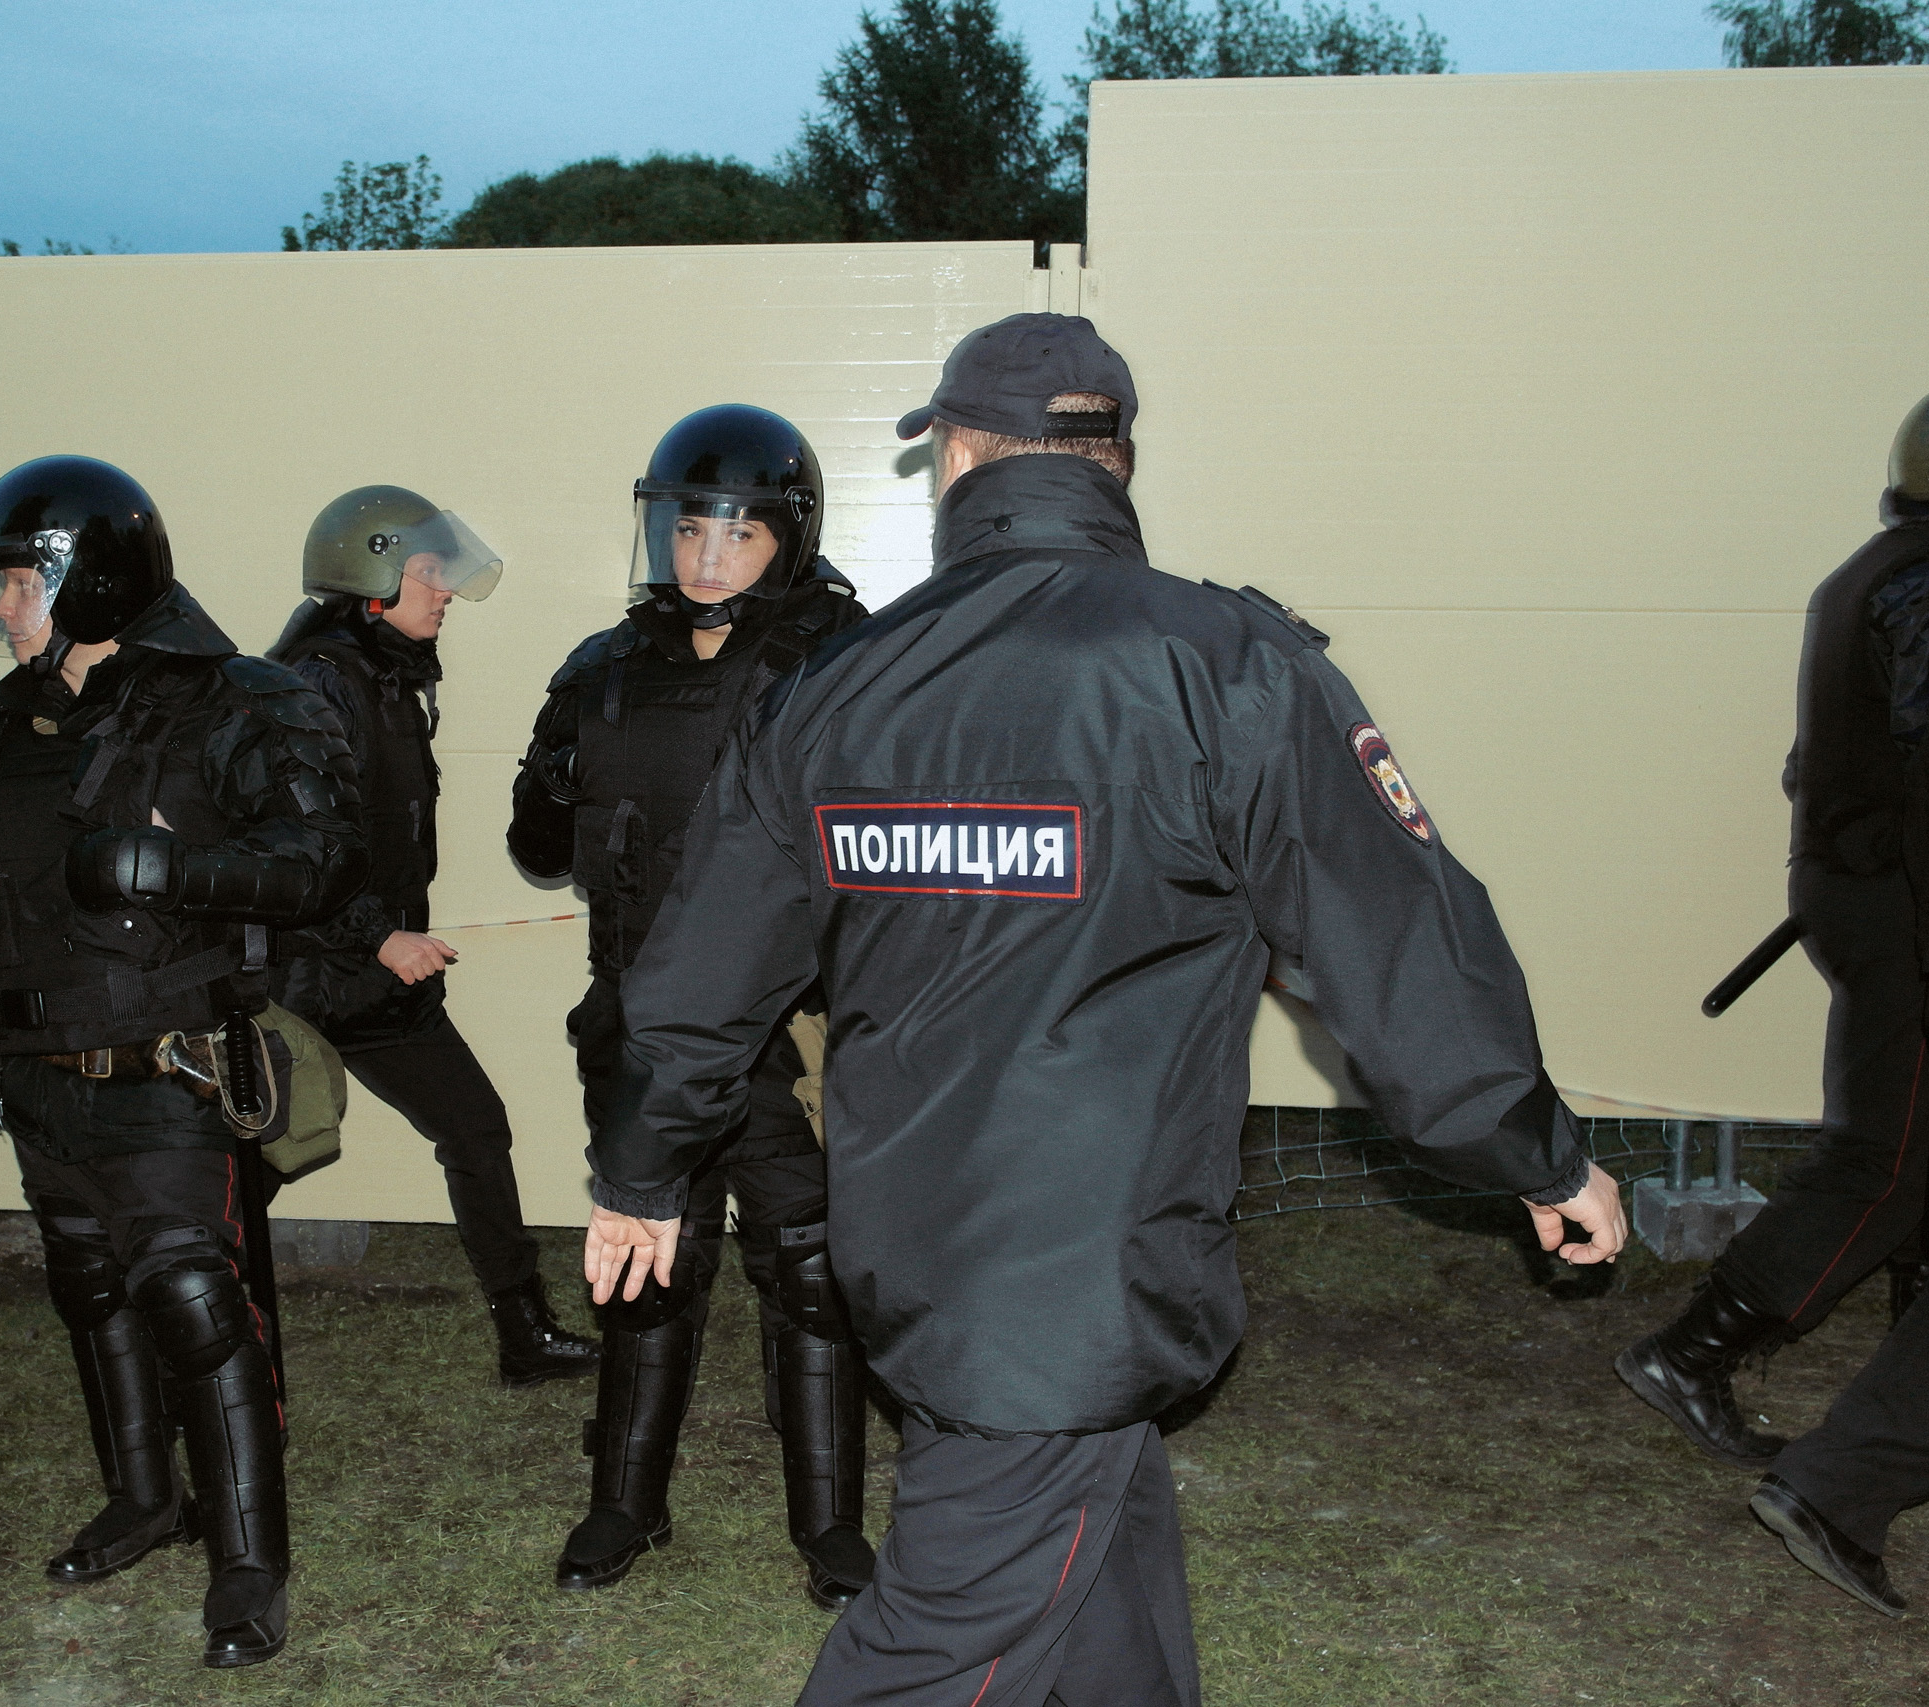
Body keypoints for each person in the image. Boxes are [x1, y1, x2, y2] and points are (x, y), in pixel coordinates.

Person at [581, 316, 1629, 1706]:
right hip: (1081, 1278)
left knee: (1105, 1584)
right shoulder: (1229, 662)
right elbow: (1396, 939)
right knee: (940, 1645)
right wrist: (1537, 1146)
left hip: (925, 1251)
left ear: (953, 454)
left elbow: (699, 968)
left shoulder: (836, 687)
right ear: (1115, 460)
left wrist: (644, 1166)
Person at [0, 454, 366, 1668]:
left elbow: (320, 863)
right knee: (90, 1287)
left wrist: (172, 870)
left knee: (194, 1299)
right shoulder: (4, 717)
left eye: (16, 582)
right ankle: (144, 1497)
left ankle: (250, 1565)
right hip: (32, 1068)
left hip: (167, 1066)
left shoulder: (239, 698)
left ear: (89, 578)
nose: (0, 609)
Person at [1624, 370, 1929, 1617]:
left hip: (1870, 890)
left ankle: (1745, 1356)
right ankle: (1692, 1354)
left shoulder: (1884, 565)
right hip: (1910, 905)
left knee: (1914, 1156)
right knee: (1886, 1164)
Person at [506, 406, 875, 1609]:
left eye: (737, 532)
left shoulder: (841, 665)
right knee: (642, 1261)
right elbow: (536, 844)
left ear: (788, 538)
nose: (706, 556)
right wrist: (550, 787)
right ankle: (623, 1504)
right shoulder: (601, 669)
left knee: (810, 1270)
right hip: (635, 1029)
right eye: (687, 528)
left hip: (784, 1033)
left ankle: (828, 1528)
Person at [267, 486, 597, 1386]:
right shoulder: (318, 683)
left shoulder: (384, 674)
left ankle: (523, 1333)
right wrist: (379, 938)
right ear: (370, 575)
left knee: (476, 1129)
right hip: (304, 974)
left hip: (377, 979)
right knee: (245, 1161)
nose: (444, 589)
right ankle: (212, 1331)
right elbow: (292, 848)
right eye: (426, 572)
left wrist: (385, 947)